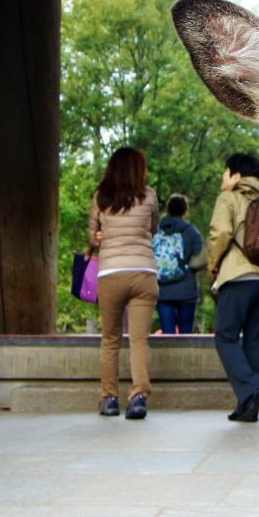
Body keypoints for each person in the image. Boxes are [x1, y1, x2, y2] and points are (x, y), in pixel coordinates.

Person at [207, 151, 259, 422]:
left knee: (225, 336)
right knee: (255, 341)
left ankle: (253, 387)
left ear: (236, 175)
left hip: (238, 277)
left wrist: (213, 263)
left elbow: (221, 233)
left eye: (225, 173)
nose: (222, 179)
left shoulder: (228, 198)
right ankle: (249, 407)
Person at [89, 147, 159, 420]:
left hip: (111, 273)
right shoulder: (148, 195)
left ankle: (109, 399)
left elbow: (94, 238)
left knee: (110, 340)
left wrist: (102, 235)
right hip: (142, 271)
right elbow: (152, 228)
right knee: (139, 340)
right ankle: (138, 397)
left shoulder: (100, 197)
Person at [154, 193, 206, 334]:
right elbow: (203, 256)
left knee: (168, 334)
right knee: (185, 333)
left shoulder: (156, 229)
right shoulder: (190, 230)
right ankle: (186, 356)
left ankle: (168, 356)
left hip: (162, 289)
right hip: (186, 289)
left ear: (168, 209)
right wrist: (189, 268)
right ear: (185, 210)